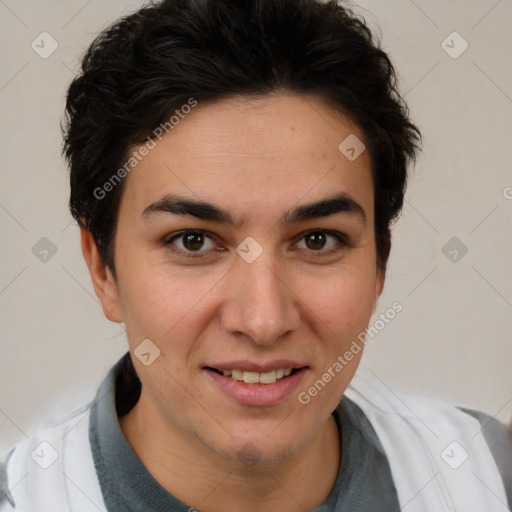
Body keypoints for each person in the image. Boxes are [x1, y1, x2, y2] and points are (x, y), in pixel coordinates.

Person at [1, 0, 510, 510]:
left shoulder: (488, 477)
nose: (264, 320)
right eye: (193, 241)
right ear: (102, 269)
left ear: (380, 263)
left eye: (317, 240)